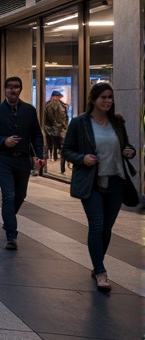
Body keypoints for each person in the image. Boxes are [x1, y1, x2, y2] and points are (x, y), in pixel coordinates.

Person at [61, 82, 136, 292]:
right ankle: (101, 271)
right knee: (96, 225)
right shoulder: (79, 123)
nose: (107, 101)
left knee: (106, 229)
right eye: (103, 97)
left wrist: (129, 151)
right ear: (93, 99)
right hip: (92, 183)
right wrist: (82, 158)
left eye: (110, 97)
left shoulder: (117, 122)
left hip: (116, 182)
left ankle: (97, 265)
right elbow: (66, 150)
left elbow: (126, 146)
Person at [0, 76, 44, 250]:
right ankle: (12, 235)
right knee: (8, 196)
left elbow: (37, 135)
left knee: (20, 196)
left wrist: (39, 154)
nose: (13, 90)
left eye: (16, 87)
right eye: (10, 87)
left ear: (21, 89)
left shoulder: (29, 111)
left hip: (23, 160)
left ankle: (8, 219)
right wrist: (4, 141)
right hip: (3, 159)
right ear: (5, 89)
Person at [44, 90, 69, 171]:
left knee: (52, 145)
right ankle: (61, 166)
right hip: (59, 130)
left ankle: (52, 158)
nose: (59, 98)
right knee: (60, 147)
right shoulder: (61, 105)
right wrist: (64, 128)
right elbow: (64, 118)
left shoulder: (46, 105)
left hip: (50, 129)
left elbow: (46, 117)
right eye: (59, 96)